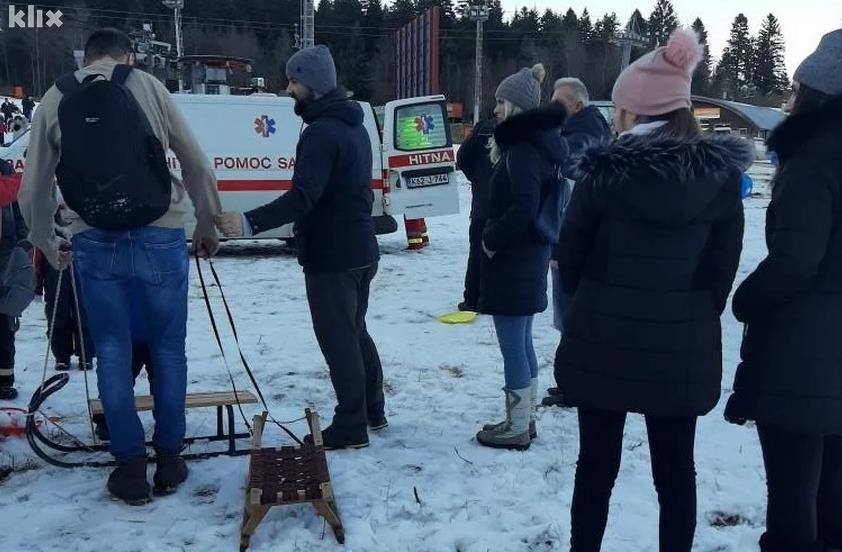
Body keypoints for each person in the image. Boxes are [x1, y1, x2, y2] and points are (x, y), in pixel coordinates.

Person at [554, 29, 752, 552]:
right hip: (680, 346)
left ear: (634, 112)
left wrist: (596, 302)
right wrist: (688, 312)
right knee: (676, 470)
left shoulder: (602, 175)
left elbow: (569, 258)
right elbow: (721, 271)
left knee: (595, 467)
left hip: (603, 339)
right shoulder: (720, 178)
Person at [19, 28, 222, 504]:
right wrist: (207, 224)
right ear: (127, 54)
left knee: (111, 350)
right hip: (160, 231)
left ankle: (130, 468)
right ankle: (170, 459)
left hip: (95, 240)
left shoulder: (55, 97)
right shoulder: (147, 86)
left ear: (84, 57)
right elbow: (196, 162)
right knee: (169, 349)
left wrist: (49, 245)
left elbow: (32, 192)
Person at [215, 45, 385, 451]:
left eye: (294, 81)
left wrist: (248, 222)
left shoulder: (324, 133)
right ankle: (372, 411)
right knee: (355, 331)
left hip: (334, 254)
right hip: (360, 248)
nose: (288, 88)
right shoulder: (352, 125)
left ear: (314, 85)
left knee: (338, 339)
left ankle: (351, 424)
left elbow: (302, 197)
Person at [725, 29, 842, 552]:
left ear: (817, 94)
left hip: (803, 354)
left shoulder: (814, 160)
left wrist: (745, 299)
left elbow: (796, 263)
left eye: (795, 90)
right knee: (833, 491)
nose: (787, 100)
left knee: (794, 493)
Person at [473, 63, 568, 451]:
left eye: (500, 101)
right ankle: (522, 419)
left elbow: (525, 204)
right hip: (529, 257)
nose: (495, 109)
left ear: (515, 106)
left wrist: (491, 239)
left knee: (513, 344)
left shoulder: (523, 149)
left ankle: (516, 426)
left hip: (514, 260)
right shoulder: (538, 144)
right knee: (523, 340)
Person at [542, 77, 613, 408]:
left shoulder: (583, 135)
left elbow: (571, 171)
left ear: (578, 105)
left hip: (572, 246)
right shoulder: (583, 129)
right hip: (572, 243)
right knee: (571, 319)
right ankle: (574, 382)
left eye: (560, 103)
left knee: (570, 319)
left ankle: (575, 386)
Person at [35, 205, 96, 371]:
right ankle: (61, 355)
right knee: (57, 313)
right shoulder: (49, 232)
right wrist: (37, 284)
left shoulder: (85, 230)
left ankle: (87, 353)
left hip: (83, 276)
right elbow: (39, 258)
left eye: (71, 209)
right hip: (55, 275)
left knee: (84, 313)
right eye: (63, 209)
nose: (68, 214)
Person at [456, 113, 496, 312]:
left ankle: (472, 298)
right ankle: (492, 297)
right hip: (507, 207)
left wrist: (478, 178)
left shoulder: (482, 129)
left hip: (482, 204)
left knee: (477, 253)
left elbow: (462, 157)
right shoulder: (526, 129)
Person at [0, 158, 24, 401]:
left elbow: (18, 208)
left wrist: (21, 241)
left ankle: (4, 378)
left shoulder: (5, 168)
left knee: (5, 319)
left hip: (4, 256)